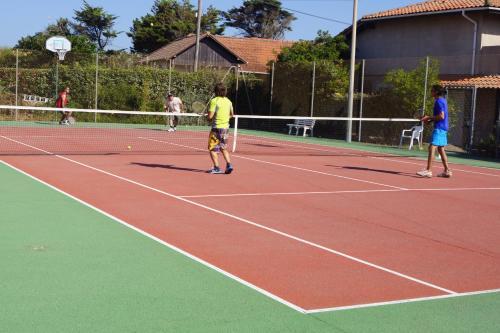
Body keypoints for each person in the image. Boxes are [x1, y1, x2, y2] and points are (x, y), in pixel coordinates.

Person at [417, 84, 452, 178]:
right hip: (443, 127)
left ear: (436, 92)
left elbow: (441, 116)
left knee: (432, 147)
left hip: (440, 128)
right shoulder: (442, 100)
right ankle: (447, 171)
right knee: (441, 149)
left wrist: (429, 117)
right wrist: (430, 120)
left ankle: (428, 170)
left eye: (432, 90)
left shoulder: (439, 101)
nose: (431, 92)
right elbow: (440, 117)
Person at [207, 83, 234, 174]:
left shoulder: (214, 101)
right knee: (223, 148)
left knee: (212, 148)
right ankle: (229, 164)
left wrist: (207, 117)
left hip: (216, 129)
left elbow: (210, 117)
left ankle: (217, 168)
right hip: (225, 129)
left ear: (216, 91)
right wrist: (225, 119)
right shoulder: (229, 101)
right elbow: (232, 115)